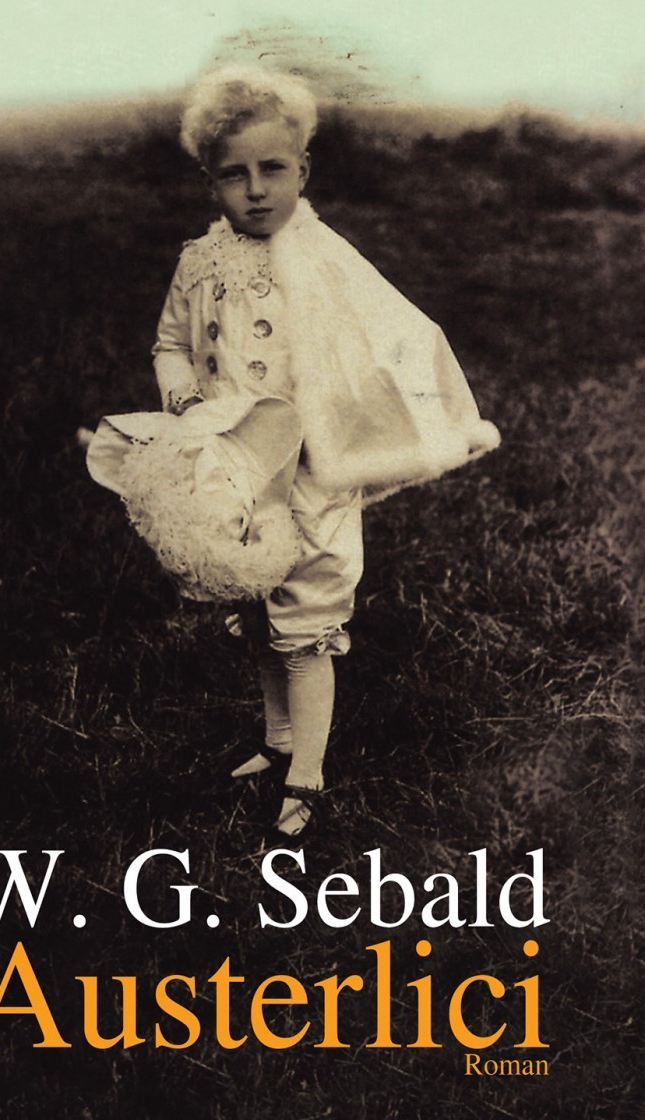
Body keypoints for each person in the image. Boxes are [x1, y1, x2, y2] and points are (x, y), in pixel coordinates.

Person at [90, 64, 500, 839]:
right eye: (233, 174)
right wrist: (187, 404)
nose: (255, 190)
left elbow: (385, 342)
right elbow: (170, 344)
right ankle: (276, 740)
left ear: (301, 171)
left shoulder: (322, 260)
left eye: (272, 169)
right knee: (254, 603)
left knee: (304, 623)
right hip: (235, 470)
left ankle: (306, 774)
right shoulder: (199, 262)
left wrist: (365, 424)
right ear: (209, 180)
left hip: (309, 476)